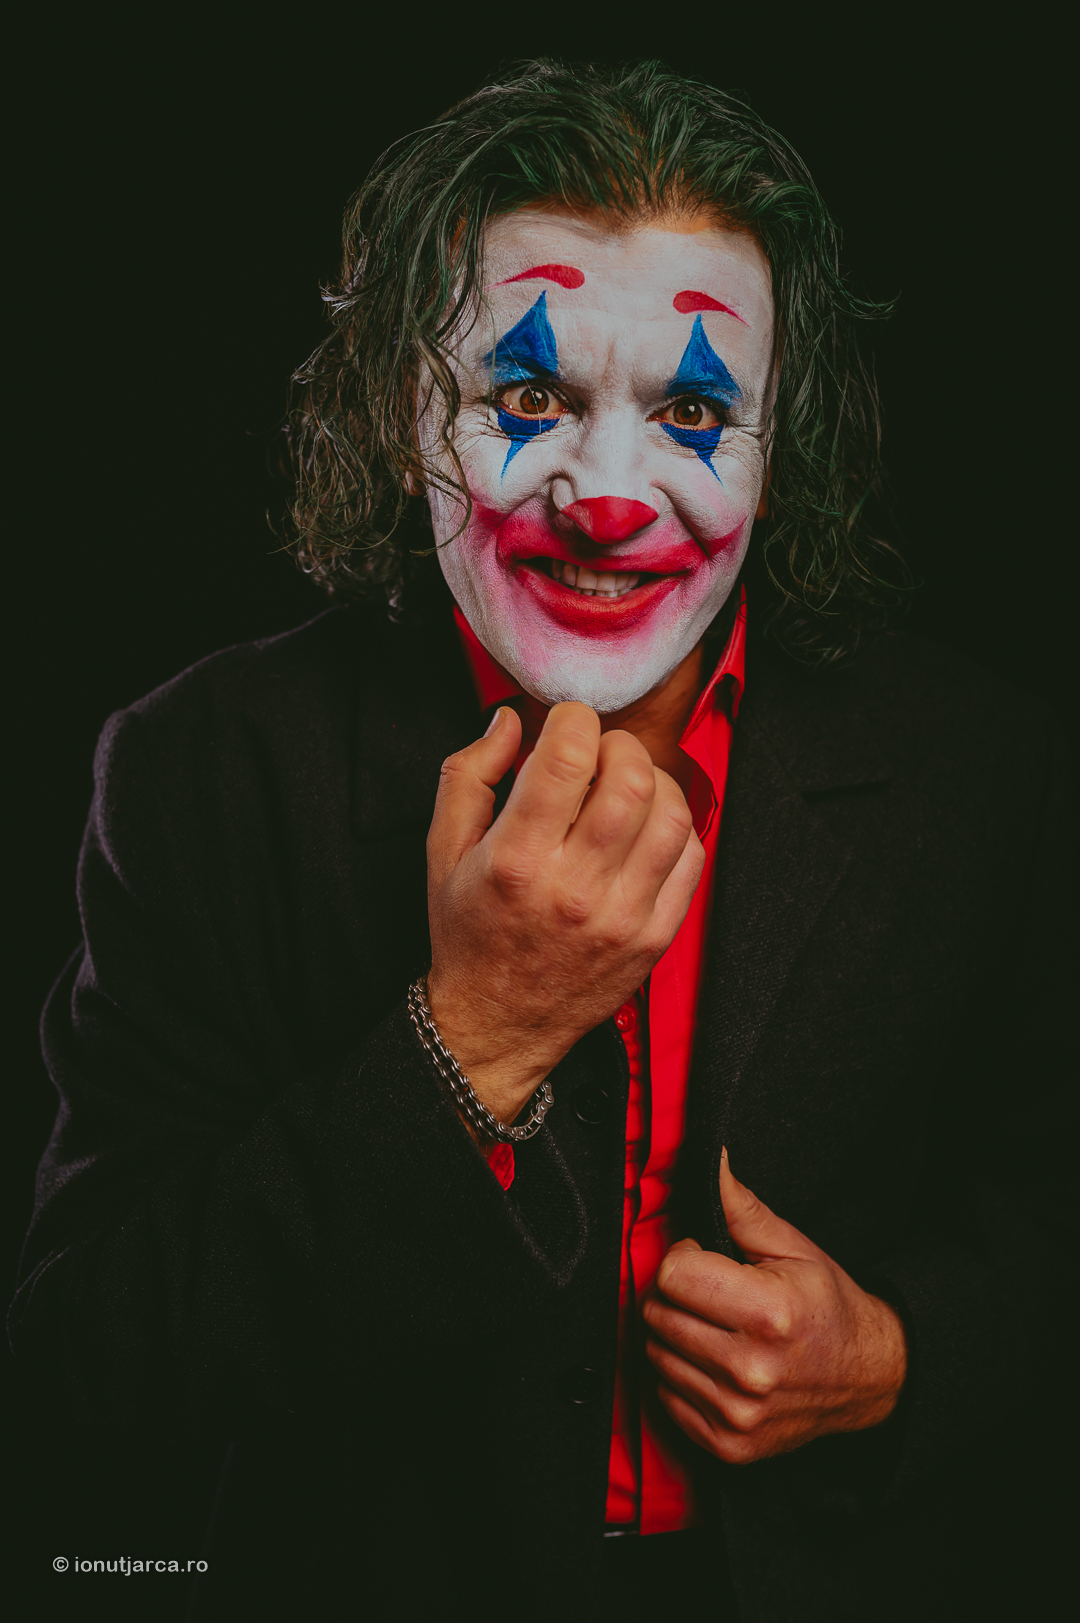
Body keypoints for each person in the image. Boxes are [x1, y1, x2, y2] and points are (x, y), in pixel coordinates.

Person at [10, 59, 1069, 1622]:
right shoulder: (204, 771)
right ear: (407, 413)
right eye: (529, 397)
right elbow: (95, 1356)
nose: (608, 498)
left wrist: (903, 1356)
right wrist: (476, 1035)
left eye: (694, 411)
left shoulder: (987, 767)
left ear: (777, 443)